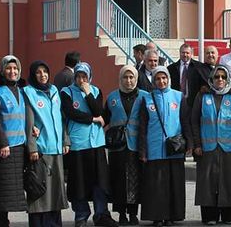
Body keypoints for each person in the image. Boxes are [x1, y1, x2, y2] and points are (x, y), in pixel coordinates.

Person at [60, 62, 117, 227]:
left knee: (100, 182)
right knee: (79, 182)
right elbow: (71, 113)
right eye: (78, 76)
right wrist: (92, 119)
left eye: (84, 76)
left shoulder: (96, 90)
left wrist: (87, 93)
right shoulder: (67, 92)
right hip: (78, 143)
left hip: (97, 143)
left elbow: (98, 111)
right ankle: (81, 215)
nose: (80, 79)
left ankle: (101, 214)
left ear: (89, 76)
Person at [191, 65, 231, 225]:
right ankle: (209, 215)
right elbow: (194, 122)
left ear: (227, 79)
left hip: (229, 148)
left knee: (227, 181)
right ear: (211, 79)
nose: (220, 79)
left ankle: (227, 215)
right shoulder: (202, 96)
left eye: (223, 76)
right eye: (216, 77)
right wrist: (197, 144)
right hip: (206, 147)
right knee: (207, 182)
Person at [138, 66, 191, 227]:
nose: (161, 81)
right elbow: (142, 127)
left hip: (174, 149)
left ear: (168, 78)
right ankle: (157, 216)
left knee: (173, 184)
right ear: (153, 81)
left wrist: (190, 144)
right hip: (154, 150)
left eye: (164, 78)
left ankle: (172, 216)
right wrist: (143, 151)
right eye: (157, 79)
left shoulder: (179, 96)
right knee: (156, 186)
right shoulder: (147, 99)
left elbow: (185, 122)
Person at [24, 60, 70, 227]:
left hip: (56, 148)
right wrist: (32, 147)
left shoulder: (54, 90)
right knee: (40, 191)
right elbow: (28, 123)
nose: (42, 75)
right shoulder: (28, 92)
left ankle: (54, 223)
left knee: (56, 191)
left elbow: (60, 118)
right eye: (38, 72)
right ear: (33, 74)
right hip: (41, 149)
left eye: (45, 71)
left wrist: (65, 140)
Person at [103, 65, 149, 226]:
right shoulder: (112, 97)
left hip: (136, 146)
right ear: (120, 79)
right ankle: (121, 213)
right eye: (125, 77)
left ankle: (133, 213)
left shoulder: (145, 97)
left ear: (136, 79)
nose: (128, 81)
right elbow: (104, 120)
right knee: (119, 181)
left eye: (131, 77)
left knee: (135, 181)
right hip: (118, 147)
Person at [0, 55, 27, 227]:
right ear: (3, 70)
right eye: (9, 68)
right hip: (3, 147)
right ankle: (1, 222)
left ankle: (3, 221)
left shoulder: (20, 89)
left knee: (7, 190)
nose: (12, 71)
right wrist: (2, 143)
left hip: (19, 145)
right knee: (1, 188)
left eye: (15, 68)